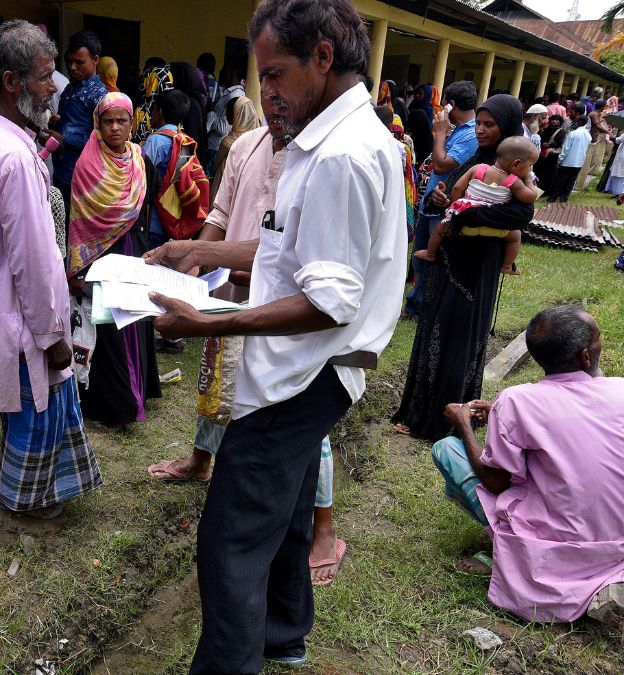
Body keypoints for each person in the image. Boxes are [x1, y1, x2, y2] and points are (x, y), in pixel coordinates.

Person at [144, 1, 406, 669]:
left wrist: (213, 320)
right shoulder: (324, 140)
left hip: (306, 372)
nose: (269, 94)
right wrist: (200, 254)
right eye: (261, 78)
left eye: (277, 74)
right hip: (308, 368)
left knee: (229, 540)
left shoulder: (341, 156)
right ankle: (284, 631)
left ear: (323, 56)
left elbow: (327, 301)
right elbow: (290, 250)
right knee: (286, 511)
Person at [143, 95, 345, 586]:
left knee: (297, 416)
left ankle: (324, 525)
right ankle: (200, 460)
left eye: (285, 91)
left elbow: (296, 254)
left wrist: (226, 260)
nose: (278, 108)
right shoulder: (243, 148)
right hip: (230, 296)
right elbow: (220, 212)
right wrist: (197, 256)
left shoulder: (320, 161)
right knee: (219, 384)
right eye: (269, 91)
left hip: (286, 312)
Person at [0, 20, 102, 521]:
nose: (53, 87)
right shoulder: (13, 157)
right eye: (43, 76)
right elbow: (34, 263)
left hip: (11, 313)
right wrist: (51, 333)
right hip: (24, 320)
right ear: (13, 83)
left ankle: (32, 491)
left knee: (30, 409)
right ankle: (29, 498)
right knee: (38, 409)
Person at [430, 305, 624, 626]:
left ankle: (501, 546)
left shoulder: (517, 401)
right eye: (598, 341)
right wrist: (502, 415)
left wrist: (463, 423)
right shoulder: (619, 389)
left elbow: (495, 482)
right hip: (617, 544)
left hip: (555, 553)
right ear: (586, 359)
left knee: (447, 449)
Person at [393, 95, 531, 441]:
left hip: (479, 264)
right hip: (450, 256)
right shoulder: (478, 160)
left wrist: (467, 212)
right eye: (479, 123)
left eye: (489, 125)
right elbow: (453, 193)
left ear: (507, 128)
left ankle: (452, 415)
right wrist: (445, 200)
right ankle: (421, 409)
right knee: (435, 327)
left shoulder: (518, 167)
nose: (481, 130)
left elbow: (520, 215)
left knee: (462, 334)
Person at [66, 92, 160, 430]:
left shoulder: (140, 159)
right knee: (109, 328)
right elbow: (78, 220)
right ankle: (112, 407)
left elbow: (149, 202)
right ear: (98, 124)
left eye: (122, 121)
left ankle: (139, 392)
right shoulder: (87, 166)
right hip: (101, 259)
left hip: (133, 251)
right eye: (108, 121)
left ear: (132, 124)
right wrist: (78, 267)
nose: (115, 128)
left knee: (135, 321)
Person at [403, 80, 480, 319]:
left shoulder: (470, 134)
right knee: (420, 261)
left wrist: (439, 133)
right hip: (430, 205)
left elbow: (441, 163)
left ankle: (426, 309)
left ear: (451, 105)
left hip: (443, 208)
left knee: (434, 263)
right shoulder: (457, 130)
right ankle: (415, 304)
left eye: (443, 104)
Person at [415, 135, 536, 275]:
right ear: (515, 164)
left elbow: (457, 189)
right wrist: (527, 179)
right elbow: (530, 197)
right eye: (530, 166)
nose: (530, 170)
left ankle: (430, 253)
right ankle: (507, 266)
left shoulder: (478, 168)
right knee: (515, 236)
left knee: (439, 228)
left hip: (464, 224)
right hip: (495, 229)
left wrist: (454, 209)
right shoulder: (513, 181)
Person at [52, 31, 107, 200]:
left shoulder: (100, 95)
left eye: (79, 62)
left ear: (95, 59)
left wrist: (64, 137)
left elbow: (102, 139)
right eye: (69, 62)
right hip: (61, 171)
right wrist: (55, 123)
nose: (73, 67)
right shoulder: (70, 88)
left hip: (83, 177)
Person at [141, 90, 192, 249]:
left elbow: (141, 176)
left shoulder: (155, 141)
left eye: (153, 109)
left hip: (153, 219)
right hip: (173, 216)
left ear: (160, 112)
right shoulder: (185, 140)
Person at [209, 95, 260, 199]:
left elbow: (215, 164)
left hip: (225, 188)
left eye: (229, 112)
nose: (226, 115)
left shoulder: (229, 142)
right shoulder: (259, 138)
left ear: (237, 114)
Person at [547, 115, 591, 203]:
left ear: (580, 123)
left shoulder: (573, 134)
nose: (574, 123)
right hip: (579, 162)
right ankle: (564, 197)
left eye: (576, 121)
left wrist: (559, 160)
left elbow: (565, 149)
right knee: (571, 181)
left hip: (568, 161)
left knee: (560, 180)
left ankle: (553, 197)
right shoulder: (588, 135)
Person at [576, 99, 613, 191]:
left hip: (593, 137)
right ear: (602, 106)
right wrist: (608, 132)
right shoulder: (594, 114)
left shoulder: (596, 114)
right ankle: (579, 181)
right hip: (590, 138)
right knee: (586, 159)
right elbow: (597, 126)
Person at [535, 114, 566, 190]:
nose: (554, 121)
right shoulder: (546, 129)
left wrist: (548, 145)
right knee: (540, 171)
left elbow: (559, 143)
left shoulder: (561, 131)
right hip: (542, 154)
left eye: (556, 120)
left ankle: (547, 190)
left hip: (552, 155)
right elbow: (541, 140)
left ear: (559, 122)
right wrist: (543, 144)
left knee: (550, 172)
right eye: (553, 119)